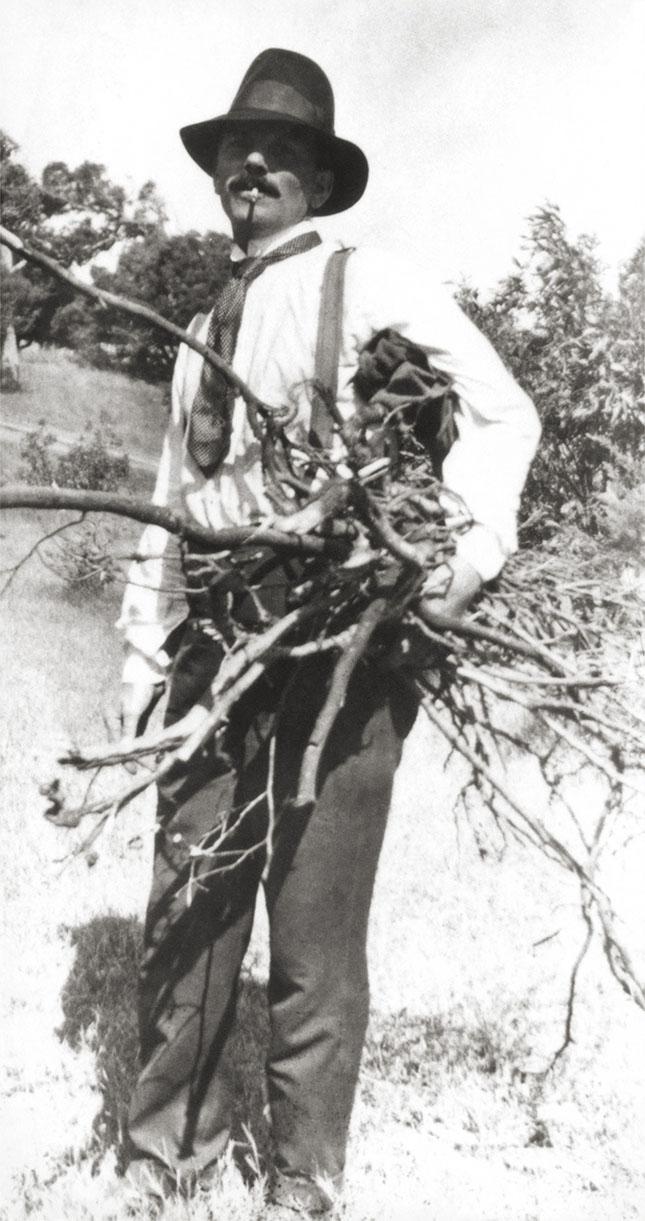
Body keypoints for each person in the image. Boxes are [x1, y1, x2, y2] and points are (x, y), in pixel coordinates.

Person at [118, 48, 540, 1214]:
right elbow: (169, 501)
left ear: (317, 176)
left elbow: (507, 413)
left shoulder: (375, 279)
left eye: (281, 152)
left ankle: (302, 1178)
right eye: (235, 153)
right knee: (192, 894)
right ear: (217, 178)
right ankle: (167, 1157)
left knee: (314, 928)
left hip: (340, 649)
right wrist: (140, 652)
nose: (252, 166)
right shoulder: (201, 324)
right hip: (215, 638)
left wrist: (468, 562)